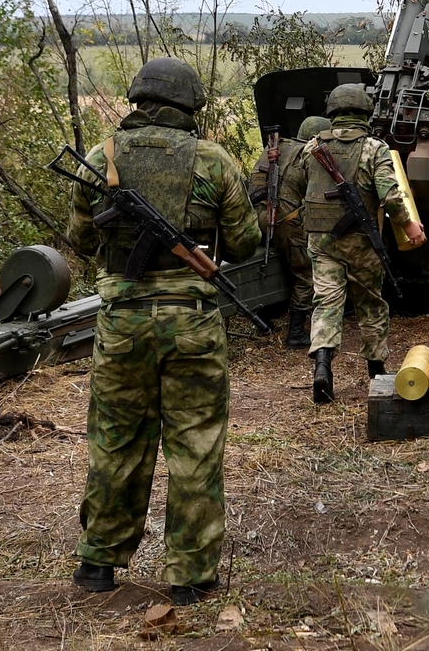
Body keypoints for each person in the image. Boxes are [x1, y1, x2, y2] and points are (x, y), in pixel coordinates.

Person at [65, 57, 260, 603]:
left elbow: (79, 240)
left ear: (137, 98)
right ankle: (190, 578)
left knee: (116, 439)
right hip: (193, 322)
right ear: (191, 105)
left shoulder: (100, 157)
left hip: (122, 323)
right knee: (194, 446)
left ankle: (99, 564)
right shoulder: (215, 161)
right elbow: (246, 245)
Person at [284, 83, 425, 403]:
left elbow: (307, 187)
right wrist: (409, 225)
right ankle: (376, 370)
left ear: (333, 113)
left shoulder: (312, 146)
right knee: (371, 303)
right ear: (365, 113)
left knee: (326, 303)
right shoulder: (373, 148)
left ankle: (322, 367)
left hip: (321, 241)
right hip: (360, 241)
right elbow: (390, 195)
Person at [248, 115, 330, 349]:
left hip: (254, 217)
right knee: (305, 272)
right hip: (284, 220)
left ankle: (265, 315)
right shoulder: (309, 156)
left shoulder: (275, 148)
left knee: (270, 263)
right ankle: (295, 333)